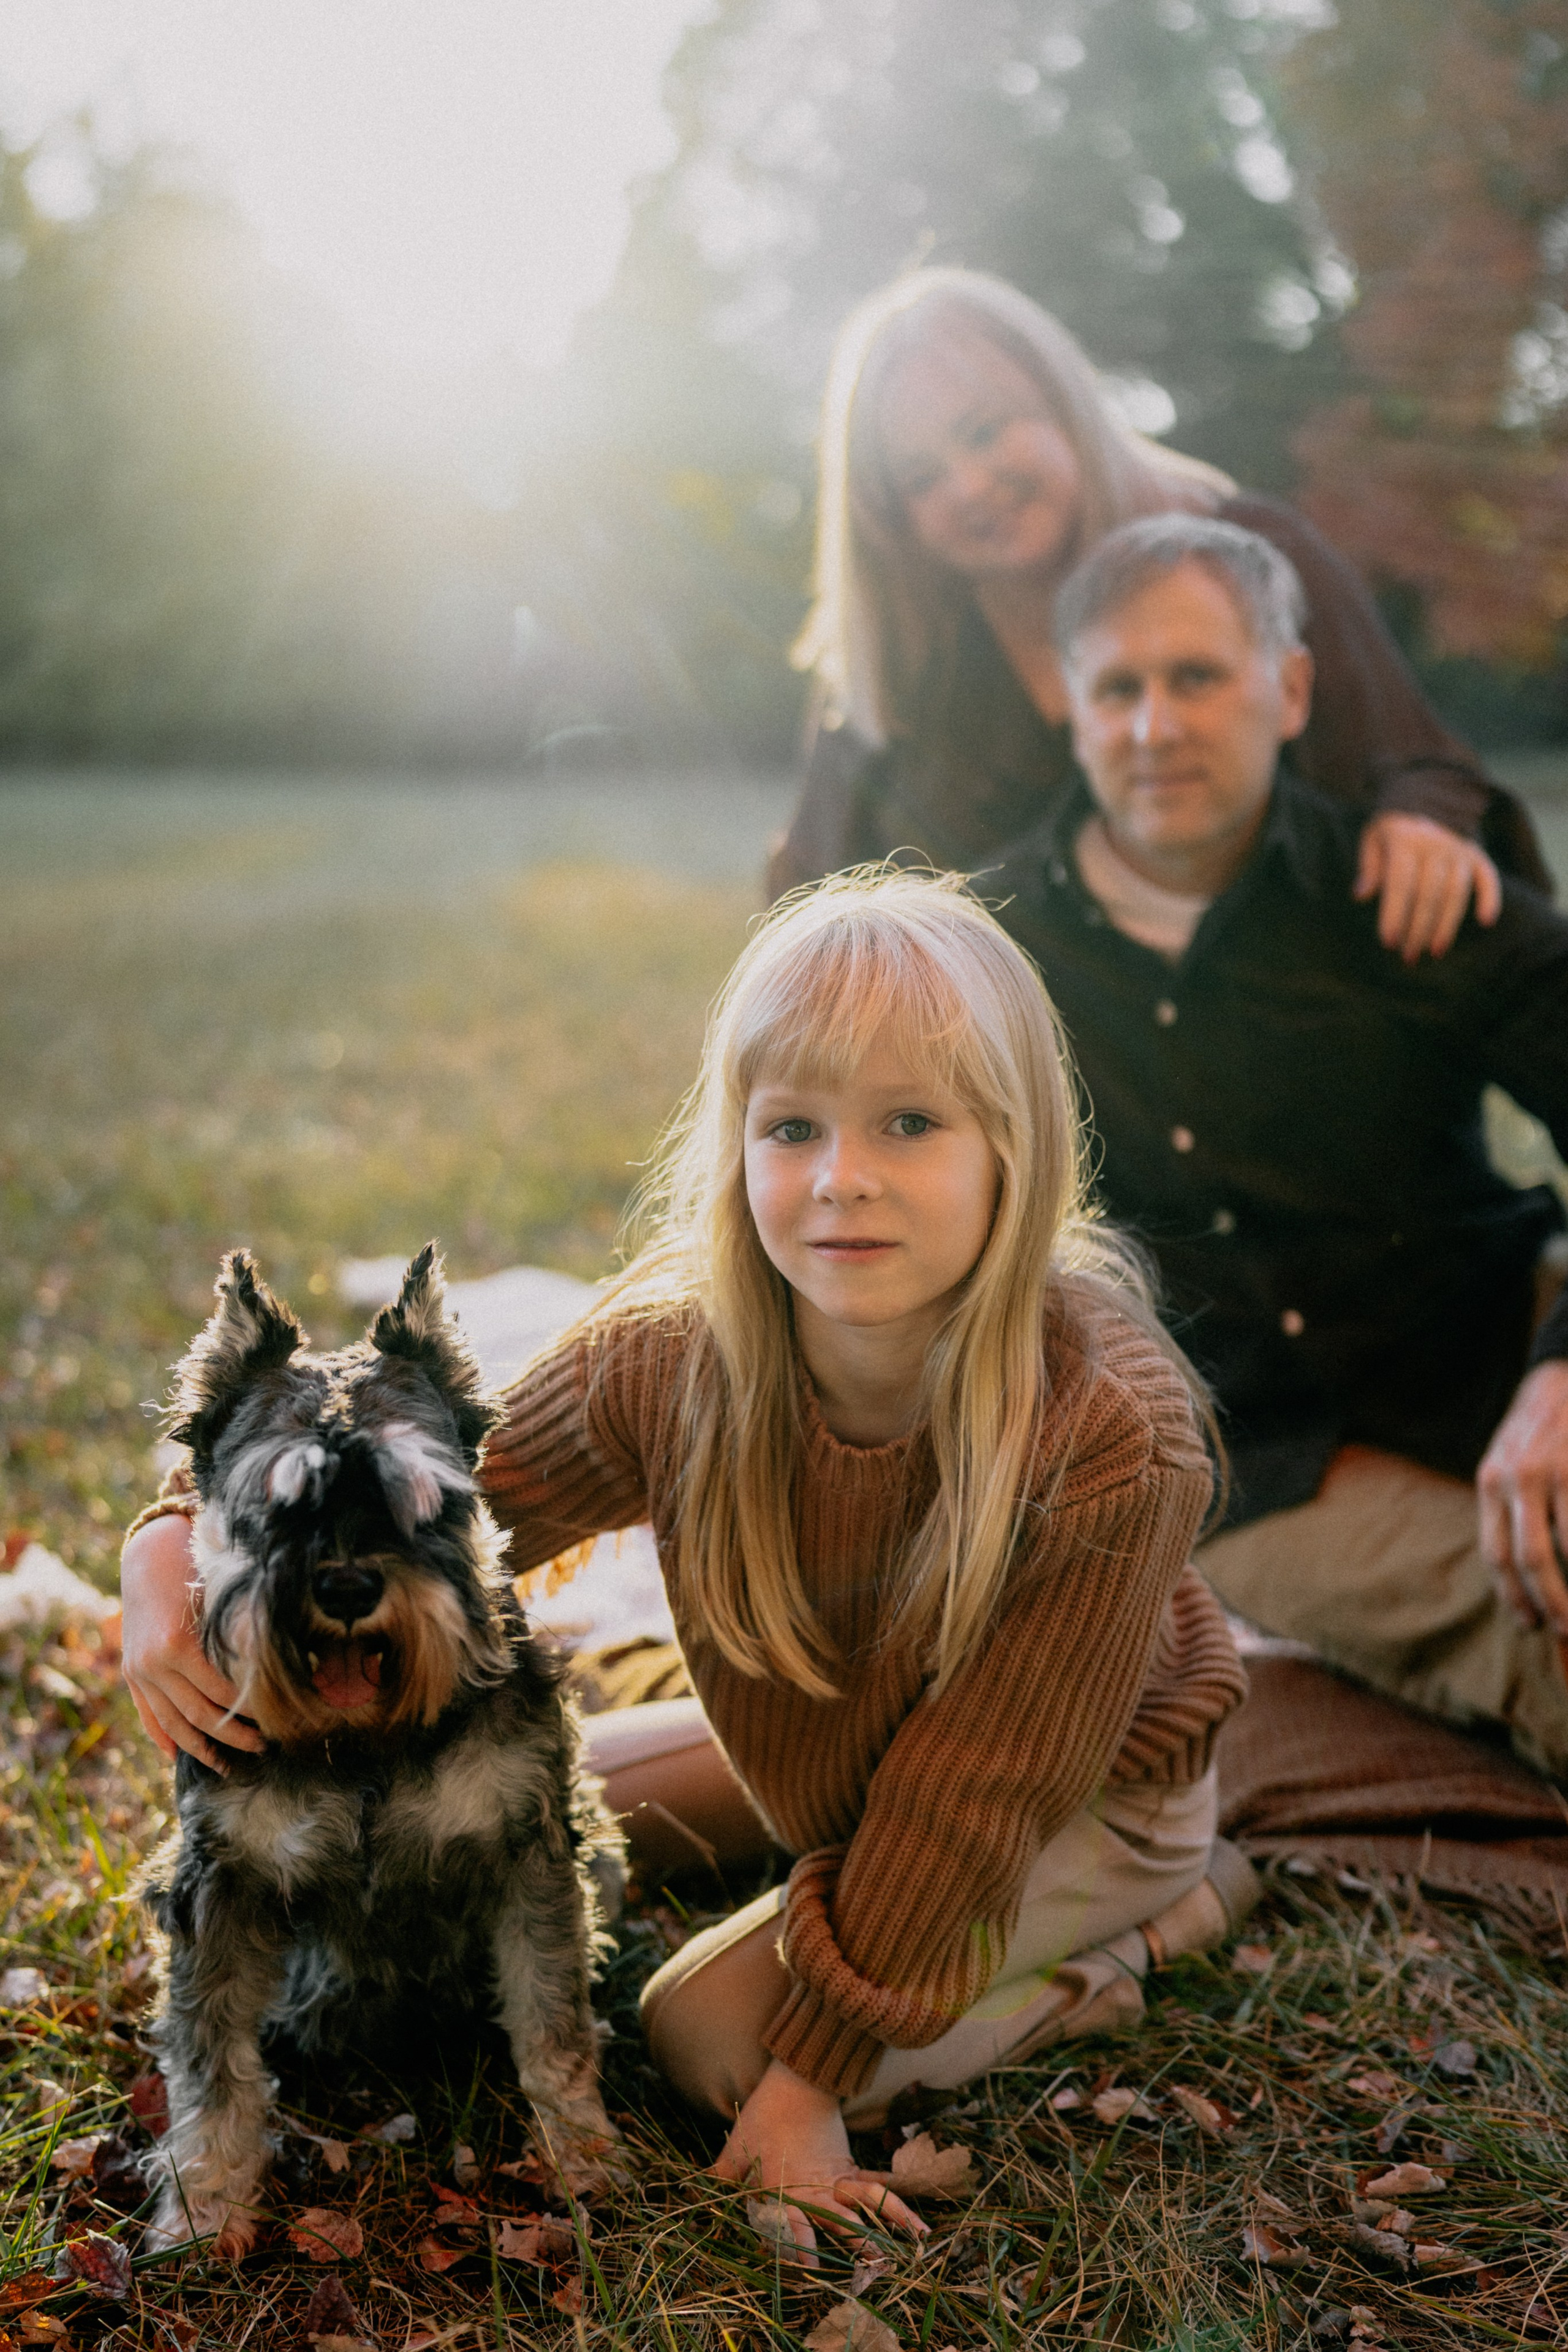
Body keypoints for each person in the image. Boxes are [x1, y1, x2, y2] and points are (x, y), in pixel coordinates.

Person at [120, 870, 1253, 2261]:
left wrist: (806, 2086)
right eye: (794, 1126)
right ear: (737, 1144)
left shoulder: (1110, 1430)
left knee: (703, 2033)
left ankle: (1161, 1924)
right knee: (545, 1798)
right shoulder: (672, 1355)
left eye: (910, 1122)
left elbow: (973, 1798)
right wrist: (162, 1548)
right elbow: (427, 1489)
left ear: (1014, 1149)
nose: (841, 1175)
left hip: (1081, 1798)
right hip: (832, 1756)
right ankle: (839, 1885)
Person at [987, 512, 1568, 1778]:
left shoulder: (1399, 891)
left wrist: (1562, 1371)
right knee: (1550, 1626)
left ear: (1291, 690)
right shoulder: (989, 954)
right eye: (1118, 690)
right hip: (1257, 1456)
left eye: (1197, 676)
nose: (1154, 727)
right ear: (1070, 710)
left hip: (1488, 1338)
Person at [771, 266, 1552, 950]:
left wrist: (1420, 824)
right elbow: (807, 900)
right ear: (890, 518)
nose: (969, 486)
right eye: (921, 478)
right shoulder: (900, 657)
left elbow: (1411, 763)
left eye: (984, 431)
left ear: (1062, 404)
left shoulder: (1247, 554)